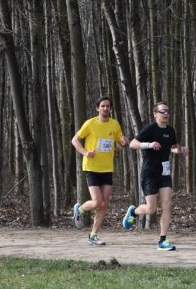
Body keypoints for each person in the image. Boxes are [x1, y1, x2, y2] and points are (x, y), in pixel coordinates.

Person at [122, 102, 188, 251]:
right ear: (155, 114)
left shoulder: (171, 131)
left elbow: (173, 148)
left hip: (164, 172)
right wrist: (148, 145)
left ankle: (162, 241)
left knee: (167, 205)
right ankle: (133, 212)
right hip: (149, 172)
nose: (166, 113)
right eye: (162, 111)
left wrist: (181, 150)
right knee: (151, 209)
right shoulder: (150, 129)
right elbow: (133, 144)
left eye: (167, 111)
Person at [71, 97, 128, 246]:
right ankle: (81, 209)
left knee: (104, 204)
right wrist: (85, 152)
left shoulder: (115, 124)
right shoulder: (90, 123)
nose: (105, 108)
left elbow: (119, 145)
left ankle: (93, 235)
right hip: (91, 167)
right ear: (97, 108)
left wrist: (123, 143)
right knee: (97, 201)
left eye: (108, 106)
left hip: (107, 168)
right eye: (102, 106)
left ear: (110, 108)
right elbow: (75, 140)